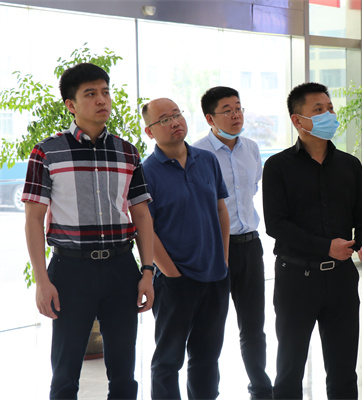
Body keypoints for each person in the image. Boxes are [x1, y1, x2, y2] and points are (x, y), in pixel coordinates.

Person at [22, 62, 154, 399]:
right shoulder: (47, 151)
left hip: (121, 268)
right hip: (71, 270)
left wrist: (147, 271)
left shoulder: (127, 151)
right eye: (91, 94)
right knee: (65, 373)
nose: (102, 100)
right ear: (71, 104)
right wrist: (42, 281)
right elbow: (34, 219)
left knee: (124, 373)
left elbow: (141, 215)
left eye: (105, 92)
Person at [262, 82, 362, 400]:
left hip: (341, 279)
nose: (329, 114)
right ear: (297, 120)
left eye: (330, 108)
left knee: (344, 371)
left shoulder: (349, 165)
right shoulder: (277, 167)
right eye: (319, 109)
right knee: (290, 369)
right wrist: (325, 246)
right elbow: (276, 225)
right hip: (296, 279)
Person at [141, 98, 230, 400]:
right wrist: (172, 275)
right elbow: (146, 229)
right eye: (164, 119)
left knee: (207, 357)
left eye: (177, 114)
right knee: (168, 361)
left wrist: (223, 260)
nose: (175, 122)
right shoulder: (146, 172)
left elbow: (220, 209)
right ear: (150, 132)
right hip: (175, 281)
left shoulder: (206, 160)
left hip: (215, 276)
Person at [194, 86, 273, 400]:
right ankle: (206, 393)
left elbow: (251, 190)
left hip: (250, 247)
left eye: (238, 108)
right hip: (214, 249)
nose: (236, 115)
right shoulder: (197, 153)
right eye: (227, 110)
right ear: (210, 118)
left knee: (254, 326)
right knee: (209, 328)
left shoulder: (251, 148)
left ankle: (261, 388)